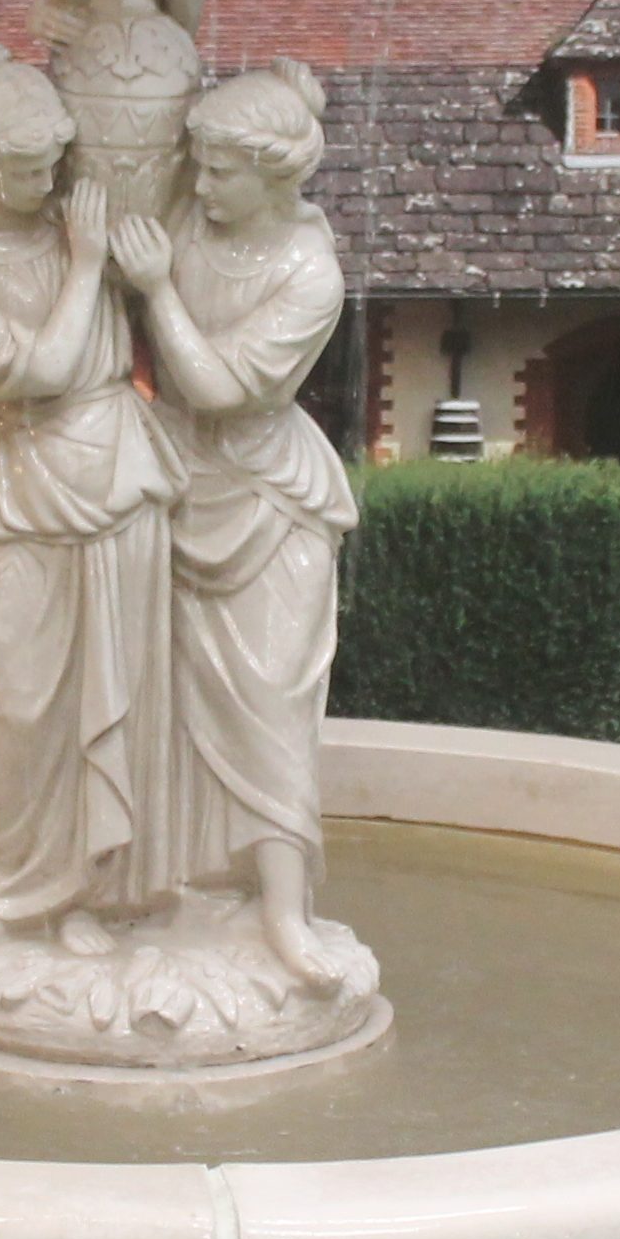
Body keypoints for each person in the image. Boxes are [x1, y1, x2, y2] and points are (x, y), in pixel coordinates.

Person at [0, 45, 185, 962]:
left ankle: (102, 893)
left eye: (48, 163)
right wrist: (81, 269)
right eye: (26, 169)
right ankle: (20, 895)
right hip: (30, 476)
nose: (46, 181)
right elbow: (38, 371)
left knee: (120, 692)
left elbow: (166, 173)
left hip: (118, 472)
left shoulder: (78, 211)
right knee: (27, 705)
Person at [110, 61, 361, 994]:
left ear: (275, 177)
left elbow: (218, 388)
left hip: (266, 506)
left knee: (269, 708)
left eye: (220, 171)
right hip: (177, 487)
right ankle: (174, 887)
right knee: (169, 708)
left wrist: (156, 289)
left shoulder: (310, 271)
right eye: (200, 166)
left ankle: (287, 917)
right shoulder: (193, 220)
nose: (201, 183)